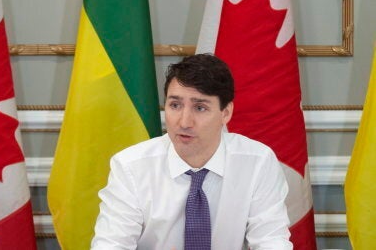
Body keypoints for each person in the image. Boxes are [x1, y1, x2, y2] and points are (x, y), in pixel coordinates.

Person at [91, 54, 292, 249]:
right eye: (175, 105)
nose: (184, 122)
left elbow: (272, 242)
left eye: (200, 108)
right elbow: (111, 245)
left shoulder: (257, 163)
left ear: (226, 113)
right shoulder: (130, 167)